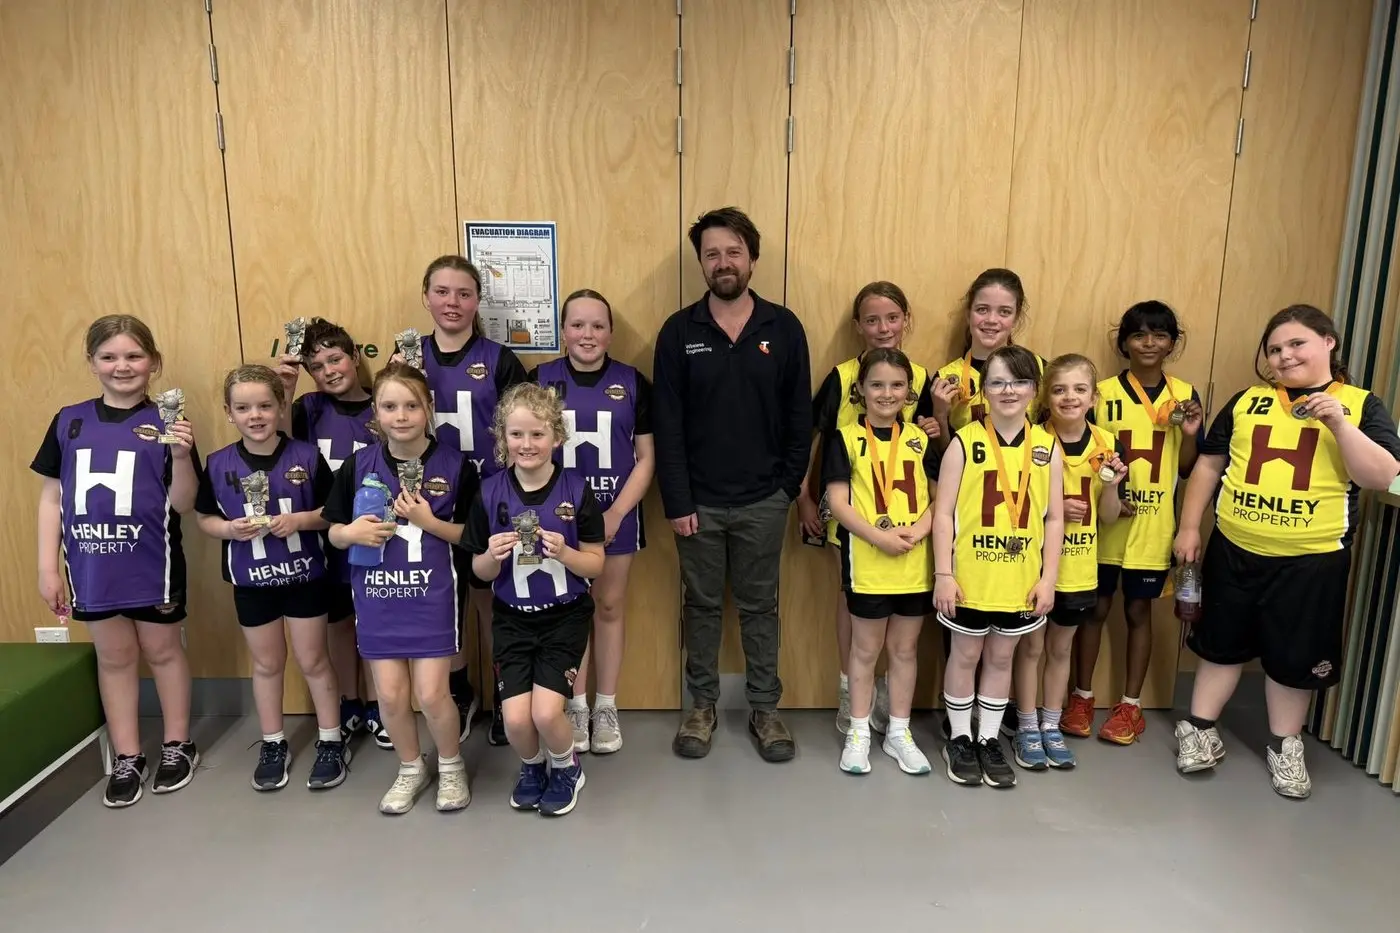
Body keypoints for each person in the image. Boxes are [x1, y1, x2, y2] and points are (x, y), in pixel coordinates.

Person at [1173, 305, 1400, 798]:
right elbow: (1209, 467)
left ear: (1328, 343)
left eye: (1296, 344)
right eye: (1275, 349)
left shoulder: (1360, 405)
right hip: (1235, 548)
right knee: (1219, 644)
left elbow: (1380, 476)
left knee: (1294, 657)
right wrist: (1190, 526)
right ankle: (1198, 729)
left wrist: (1340, 425)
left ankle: (1285, 745)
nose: (1283, 356)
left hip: (1312, 558)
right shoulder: (1248, 401)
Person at [653, 206, 812, 762]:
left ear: (752, 256)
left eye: (733, 251)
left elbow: (800, 418)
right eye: (712, 254)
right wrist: (676, 499)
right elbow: (666, 427)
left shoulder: (783, 327)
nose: (723, 262)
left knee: (759, 606)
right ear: (702, 262)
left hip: (763, 501)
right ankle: (702, 707)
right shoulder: (679, 331)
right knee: (699, 606)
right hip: (696, 502)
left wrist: (787, 489)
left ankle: (766, 709)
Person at [32, 314, 200, 807]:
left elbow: (184, 502)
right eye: (109, 356)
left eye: (133, 356)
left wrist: (185, 455)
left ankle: (176, 744)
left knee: (163, 651)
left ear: (154, 363)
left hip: (154, 563)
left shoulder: (168, 424)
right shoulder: (69, 420)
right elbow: (51, 497)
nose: (121, 366)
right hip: (91, 567)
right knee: (115, 657)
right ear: (92, 363)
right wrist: (47, 567)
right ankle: (128, 755)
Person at [322, 362, 480, 814]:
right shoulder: (358, 465)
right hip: (376, 595)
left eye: (412, 405)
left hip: (433, 594)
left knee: (432, 693)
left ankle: (451, 766)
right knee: (390, 694)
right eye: (390, 406)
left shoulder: (455, 465)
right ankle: (411, 768)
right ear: (376, 412)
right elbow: (332, 531)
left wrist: (430, 522)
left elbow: (472, 535)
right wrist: (351, 534)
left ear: (429, 408)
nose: (402, 415)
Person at [195, 365, 347, 791]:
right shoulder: (218, 463)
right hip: (252, 582)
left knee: (314, 660)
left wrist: (299, 520)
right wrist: (227, 530)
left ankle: (331, 740)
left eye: (265, 405)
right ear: (228, 413)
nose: (255, 415)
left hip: (304, 577)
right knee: (266, 663)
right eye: (243, 408)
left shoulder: (307, 456)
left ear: (282, 407)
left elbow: (332, 512)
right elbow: (205, 517)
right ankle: (273, 742)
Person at [797, 281, 939, 736]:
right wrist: (803, 497)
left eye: (892, 318)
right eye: (872, 319)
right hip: (852, 510)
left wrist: (943, 422)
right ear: (858, 326)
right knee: (852, 596)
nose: (883, 328)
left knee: (898, 620)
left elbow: (937, 447)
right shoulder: (840, 377)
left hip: (909, 518)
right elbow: (811, 439)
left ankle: (883, 697)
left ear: (906, 320)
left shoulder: (922, 375)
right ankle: (849, 690)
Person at [460, 384, 606, 816]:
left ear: (556, 438)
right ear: (503, 439)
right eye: (517, 435)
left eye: (537, 435)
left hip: (564, 617)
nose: (527, 444)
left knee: (545, 714)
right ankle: (532, 767)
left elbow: (595, 565)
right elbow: (477, 573)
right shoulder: (489, 493)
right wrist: (491, 555)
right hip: (512, 620)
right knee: (516, 720)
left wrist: (566, 552)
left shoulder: (576, 490)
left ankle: (566, 766)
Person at [1063, 301, 1202, 745]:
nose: (1149, 342)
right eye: (1139, 334)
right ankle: (1081, 697)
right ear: (1123, 341)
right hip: (1105, 521)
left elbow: (1186, 469)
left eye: (1159, 334)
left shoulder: (1184, 394)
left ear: (1172, 343)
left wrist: (1193, 433)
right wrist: (1110, 496)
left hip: (1155, 523)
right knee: (1094, 608)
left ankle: (1131, 706)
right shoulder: (1099, 392)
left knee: (1138, 610)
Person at [405, 255, 528, 746]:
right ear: (426, 296)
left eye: (463, 293)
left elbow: (525, 430)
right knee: (442, 598)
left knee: (490, 602)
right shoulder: (408, 358)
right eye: (441, 292)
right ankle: (459, 689)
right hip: (430, 501)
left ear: (478, 301)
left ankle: (504, 694)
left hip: (489, 498)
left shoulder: (499, 359)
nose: (452, 302)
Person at [530, 289, 654, 755]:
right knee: (569, 612)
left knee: (609, 606)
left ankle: (606, 705)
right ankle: (575, 704)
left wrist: (618, 512)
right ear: (563, 331)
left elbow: (646, 457)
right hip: (556, 520)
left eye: (598, 325)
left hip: (615, 515)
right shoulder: (539, 378)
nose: (588, 334)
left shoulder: (633, 381)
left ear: (610, 332)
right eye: (577, 325)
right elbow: (522, 448)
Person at [933, 346, 1064, 788]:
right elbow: (945, 513)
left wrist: (1049, 578)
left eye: (1019, 381)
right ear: (983, 390)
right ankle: (960, 736)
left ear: (1034, 389)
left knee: (1002, 657)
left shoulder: (1047, 447)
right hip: (971, 577)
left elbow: (1054, 517)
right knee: (966, 654)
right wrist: (944, 574)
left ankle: (989, 738)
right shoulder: (964, 442)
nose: (1009, 390)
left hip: (1020, 580)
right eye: (998, 381)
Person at [929, 269, 1045, 739]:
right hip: (967, 523)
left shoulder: (1035, 367)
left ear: (1018, 316)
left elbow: (1053, 444)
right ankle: (959, 724)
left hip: (1019, 525)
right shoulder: (947, 377)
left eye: (1003, 311)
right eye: (982, 309)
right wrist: (938, 412)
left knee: (1005, 646)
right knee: (962, 635)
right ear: (968, 313)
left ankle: (994, 725)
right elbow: (935, 459)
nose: (991, 320)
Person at [823, 349, 939, 774]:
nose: (886, 393)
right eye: (876, 384)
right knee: (866, 649)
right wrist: (878, 537)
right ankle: (858, 730)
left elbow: (940, 498)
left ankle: (898, 732)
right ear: (860, 390)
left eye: (896, 385)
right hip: (868, 563)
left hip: (912, 563)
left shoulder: (923, 439)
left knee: (904, 650)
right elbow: (838, 502)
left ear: (909, 392)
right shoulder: (845, 439)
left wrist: (920, 531)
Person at [275, 318, 388, 749]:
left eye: (335, 358)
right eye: (317, 365)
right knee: (339, 623)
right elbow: (277, 446)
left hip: (375, 532)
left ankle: (380, 703)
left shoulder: (382, 404)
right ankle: (350, 701)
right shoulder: (306, 408)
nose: (329, 370)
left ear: (354, 356)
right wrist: (283, 391)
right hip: (325, 534)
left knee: (373, 618)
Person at [1012, 354, 1127, 771]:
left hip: (1079, 566)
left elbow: (1110, 517)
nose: (1069, 397)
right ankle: (1026, 726)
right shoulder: (1031, 439)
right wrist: (1055, 507)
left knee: (1061, 649)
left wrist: (1113, 486)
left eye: (1080, 389)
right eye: (1059, 389)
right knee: (1031, 647)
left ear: (1094, 397)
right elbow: (1015, 503)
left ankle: (1050, 724)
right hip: (1033, 566)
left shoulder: (1107, 444)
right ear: (1046, 396)